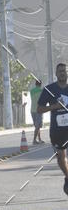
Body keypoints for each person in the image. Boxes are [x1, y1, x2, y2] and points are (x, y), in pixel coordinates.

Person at [37, 62, 68, 196]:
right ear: (56, 74)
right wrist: (55, 106)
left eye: (64, 71)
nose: (62, 73)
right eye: (60, 71)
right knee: (61, 158)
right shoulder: (49, 89)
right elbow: (39, 109)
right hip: (57, 130)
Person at [29, 78, 43, 144]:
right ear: (40, 84)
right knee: (38, 126)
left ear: (35, 84)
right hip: (39, 110)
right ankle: (34, 140)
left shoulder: (31, 91)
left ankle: (39, 139)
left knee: (37, 126)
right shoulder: (41, 90)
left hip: (32, 110)